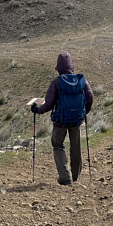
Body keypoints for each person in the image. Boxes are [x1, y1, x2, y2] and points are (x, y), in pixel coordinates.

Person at [31, 52, 94, 185]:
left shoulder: (56, 83)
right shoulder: (82, 81)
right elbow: (90, 98)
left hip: (60, 121)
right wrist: (84, 113)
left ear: (58, 68)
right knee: (75, 147)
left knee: (58, 145)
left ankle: (65, 177)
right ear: (72, 66)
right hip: (76, 120)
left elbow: (48, 104)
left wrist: (37, 110)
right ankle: (76, 177)